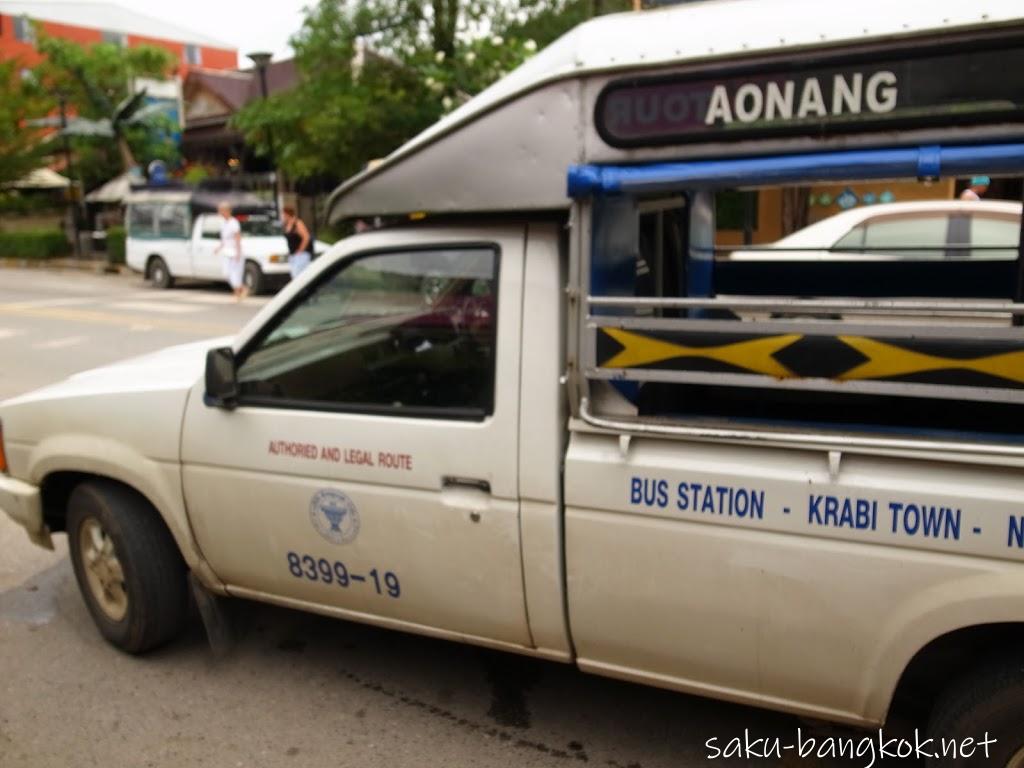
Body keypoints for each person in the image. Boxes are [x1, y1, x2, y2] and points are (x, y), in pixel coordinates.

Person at [214, 202, 246, 300]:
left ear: (226, 211)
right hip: (227, 251)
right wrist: (219, 248)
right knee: (227, 273)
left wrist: (238, 253)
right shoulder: (223, 223)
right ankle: (242, 289)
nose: (219, 213)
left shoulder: (234, 222)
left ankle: (237, 294)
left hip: (234, 251)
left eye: (220, 210)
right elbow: (224, 239)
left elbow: (237, 238)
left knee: (235, 273)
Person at [282, 205, 312, 279]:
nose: (282, 216)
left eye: (283, 214)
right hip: (292, 255)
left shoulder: (297, 223)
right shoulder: (287, 225)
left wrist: (300, 250)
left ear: (287, 214)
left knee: (298, 276)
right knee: (294, 276)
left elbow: (306, 237)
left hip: (301, 255)